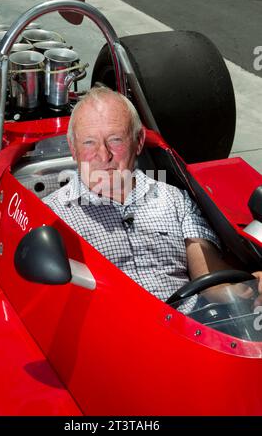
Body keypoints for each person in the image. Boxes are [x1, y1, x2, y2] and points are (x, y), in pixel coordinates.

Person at [43, 87, 262, 305]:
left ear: (138, 142)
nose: (104, 155)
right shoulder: (50, 215)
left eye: (115, 140)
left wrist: (247, 288)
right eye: (89, 142)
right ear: (73, 148)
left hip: (187, 329)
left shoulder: (175, 200)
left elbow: (207, 270)